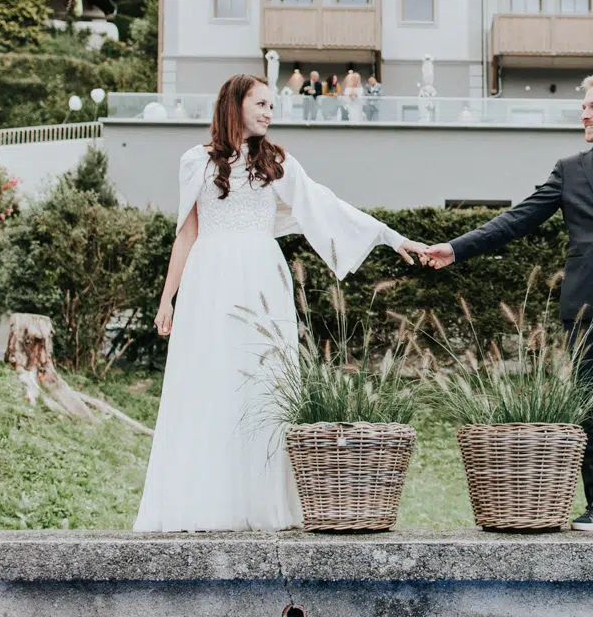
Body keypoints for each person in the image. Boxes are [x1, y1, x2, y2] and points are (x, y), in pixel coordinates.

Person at [135, 74, 426, 532]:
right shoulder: (195, 162)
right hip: (208, 278)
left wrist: (390, 237)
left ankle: (262, 502)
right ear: (234, 104)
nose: (270, 112)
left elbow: (328, 207)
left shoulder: (278, 163)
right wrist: (167, 298)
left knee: (262, 383)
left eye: (273, 105)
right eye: (261, 103)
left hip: (261, 280)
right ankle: (203, 502)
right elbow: (186, 233)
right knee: (207, 380)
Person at [419, 74, 593, 533]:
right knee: (590, 407)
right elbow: (518, 219)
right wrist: (456, 248)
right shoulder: (570, 170)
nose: (585, 115)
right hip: (585, 309)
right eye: (584, 107)